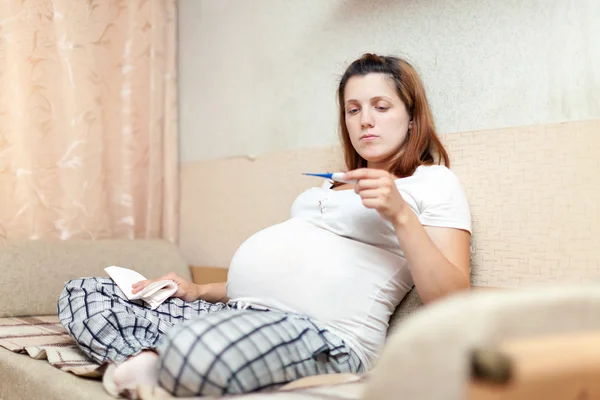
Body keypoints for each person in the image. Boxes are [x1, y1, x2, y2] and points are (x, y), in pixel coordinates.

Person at [58, 53, 471, 399]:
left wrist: (400, 214)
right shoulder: (332, 185)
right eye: (353, 109)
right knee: (83, 293)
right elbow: (282, 275)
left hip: (320, 335)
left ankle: (155, 361)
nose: (366, 120)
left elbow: (451, 298)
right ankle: (147, 362)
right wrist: (199, 290)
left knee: (196, 351)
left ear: (412, 117)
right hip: (240, 312)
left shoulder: (432, 182)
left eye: (381, 107)